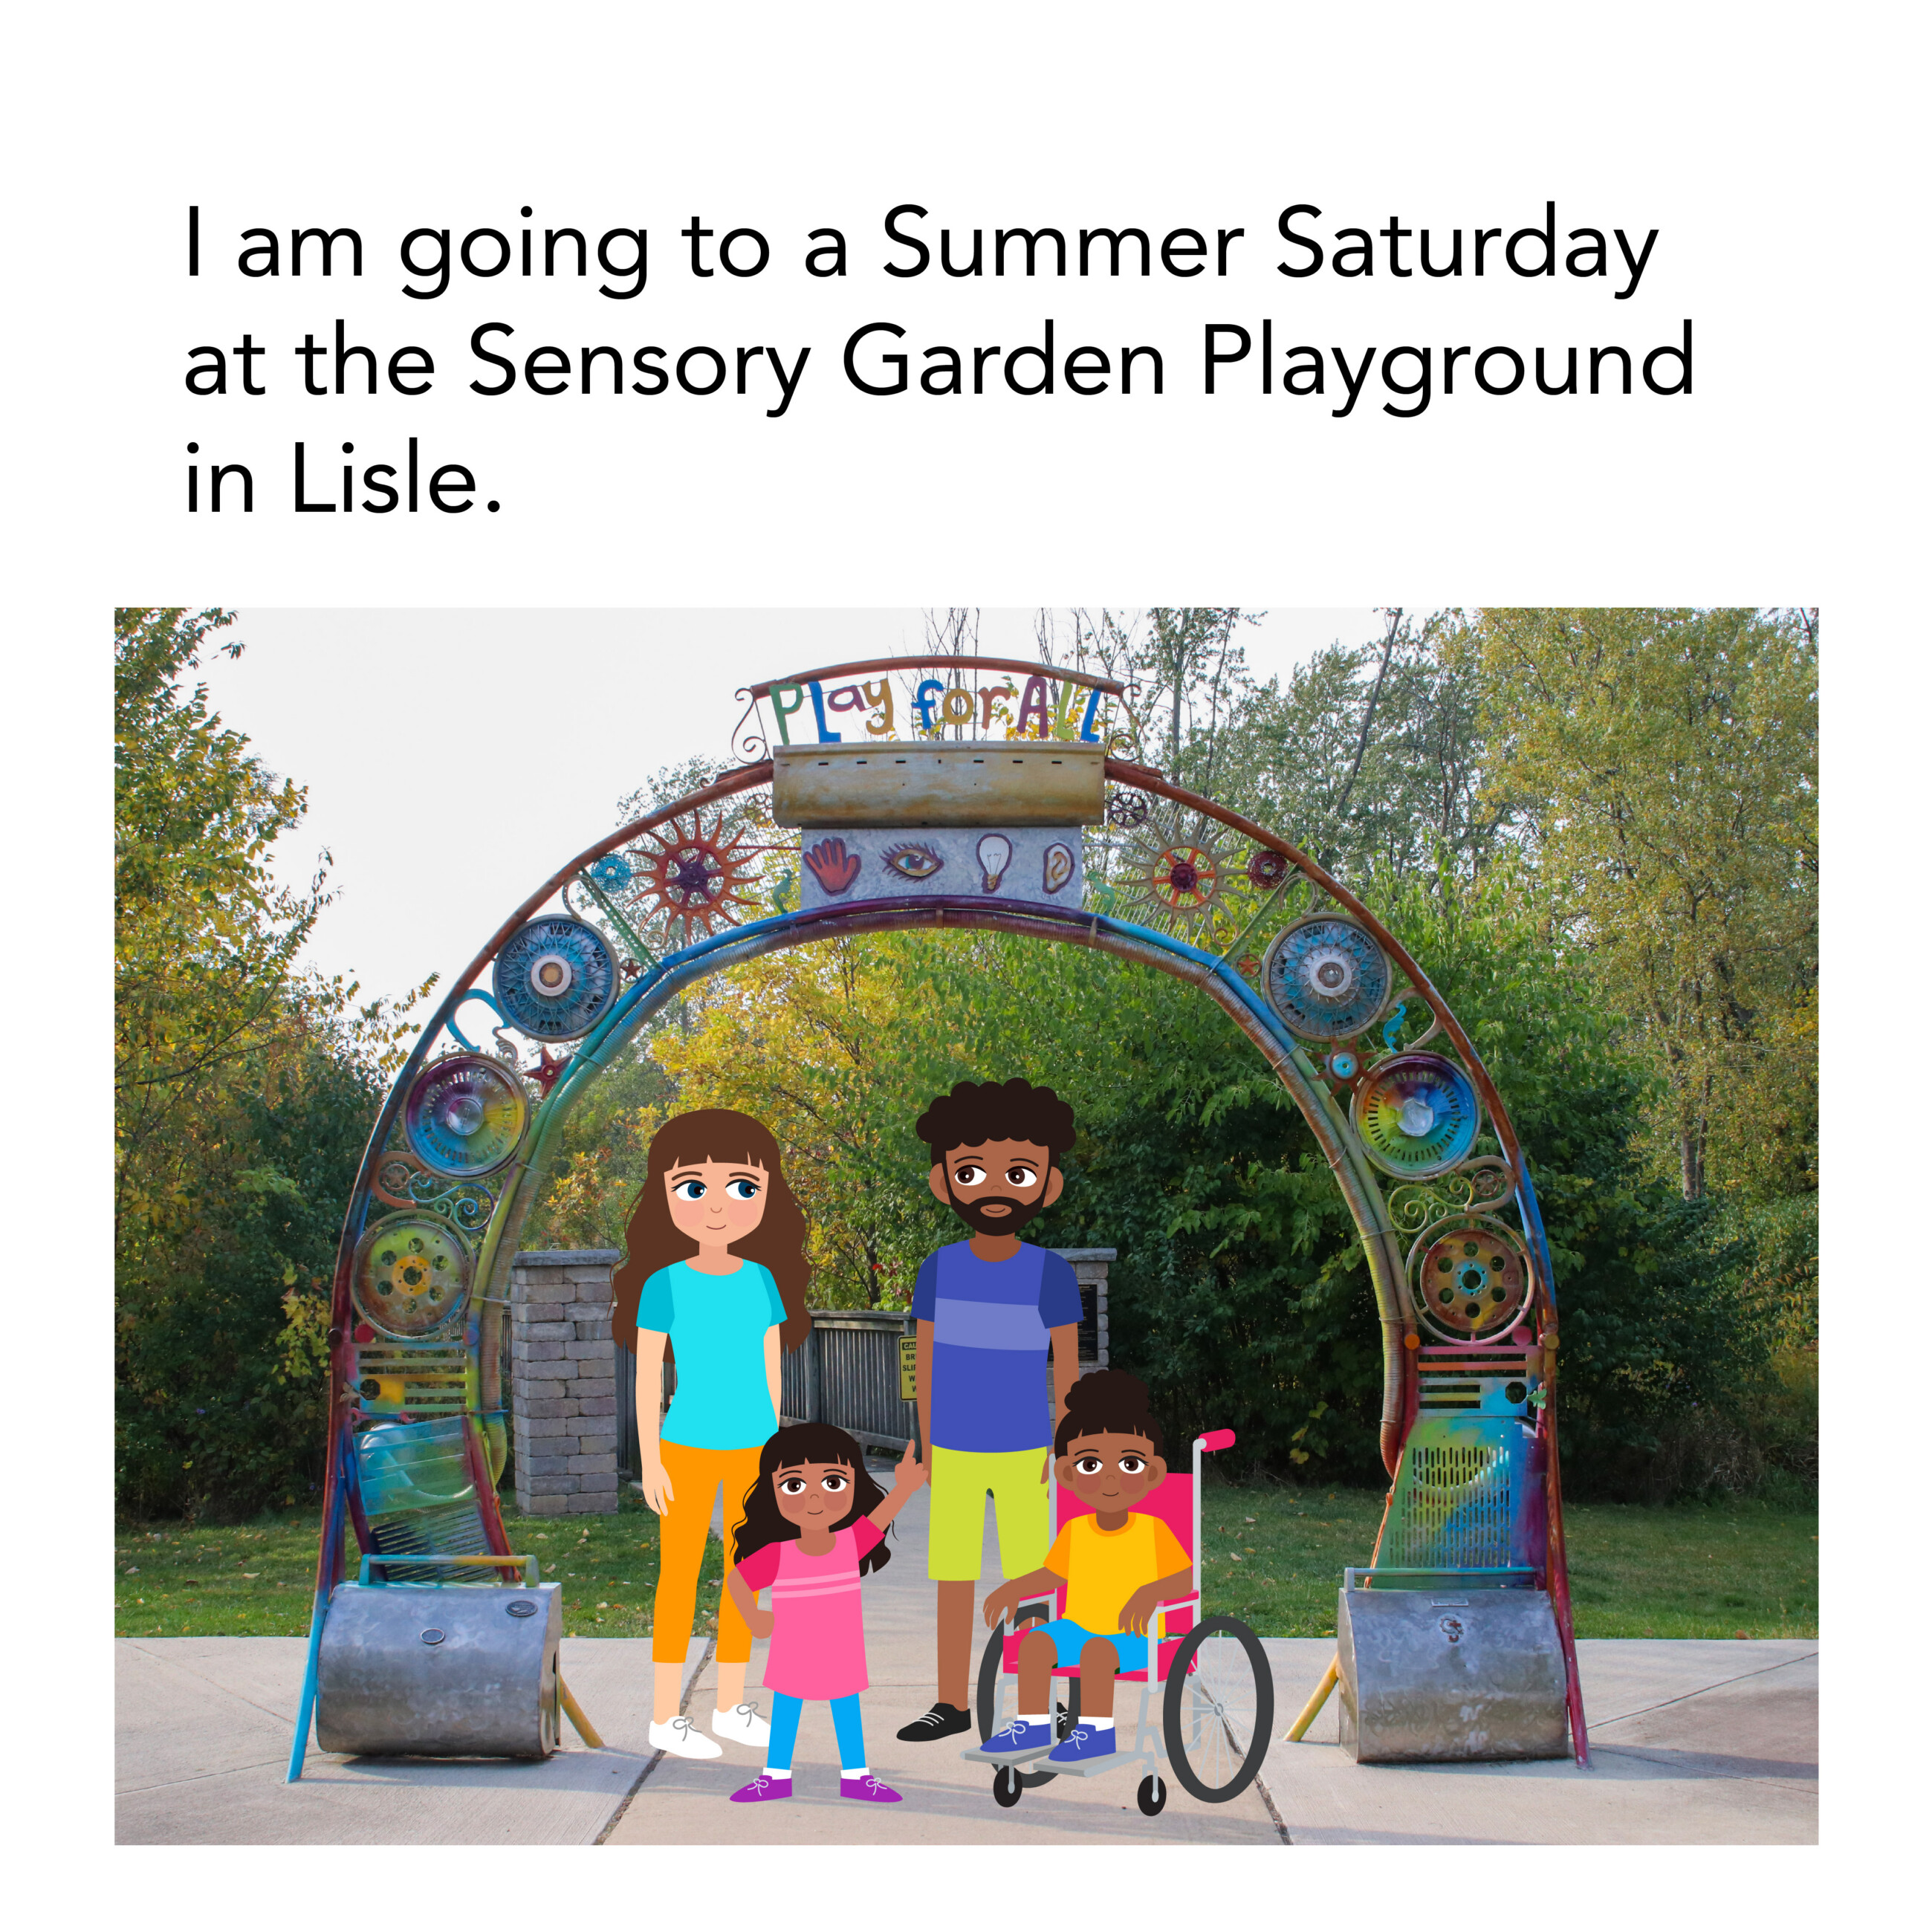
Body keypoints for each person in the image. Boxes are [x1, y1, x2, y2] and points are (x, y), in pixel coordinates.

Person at [610, 1109, 813, 1760]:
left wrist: (777, 1449)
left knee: (747, 1575)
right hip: (686, 1446)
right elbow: (646, 1381)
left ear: (765, 1196)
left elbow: (772, 1372)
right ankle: (665, 1717)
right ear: (666, 1198)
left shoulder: (762, 1280)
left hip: (755, 1447)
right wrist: (651, 1461)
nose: (719, 1206)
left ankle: (729, 1706)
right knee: (678, 1575)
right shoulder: (661, 1284)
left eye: (743, 1187)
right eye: (695, 1188)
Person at [895, 1077, 1083, 1745]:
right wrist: (919, 1441)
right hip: (952, 1449)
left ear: (1046, 1186)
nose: (994, 1187)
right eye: (972, 1171)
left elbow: (1066, 1372)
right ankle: (952, 1702)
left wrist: (1066, 1448)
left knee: (1035, 1580)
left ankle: (1046, 1701)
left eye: (1019, 1172)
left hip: (1030, 1452)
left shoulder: (1051, 1274)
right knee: (953, 1576)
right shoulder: (937, 1270)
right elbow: (922, 1363)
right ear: (945, 1184)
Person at [971, 1369, 1193, 1766]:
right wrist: (1014, 1588)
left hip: (1135, 1636)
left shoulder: (1152, 1530)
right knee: (1036, 1643)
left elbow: (1185, 1578)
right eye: (1091, 1465)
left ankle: (1095, 1734)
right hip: (1077, 1627)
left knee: (1096, 1652)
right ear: (1068, 1475)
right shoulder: (1075, 1530)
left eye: (1128, 1464)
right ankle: (1035, 1725)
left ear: (1153, 1473)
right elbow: (1054, 1575)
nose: (1110, 1476)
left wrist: (1149, 1592)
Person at [724, 1422, 927, 1802]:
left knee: (846, 1711)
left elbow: (880, 1519)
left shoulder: (850, 1543)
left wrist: (903, 1488)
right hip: (792, 1653)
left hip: (841, 1653)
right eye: (795, 1485)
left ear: (854, 1485)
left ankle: (856, 1777)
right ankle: (775, 1777)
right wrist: (754, 1620)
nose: (815, 1499)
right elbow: (737, 1581)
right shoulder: (778, 1553)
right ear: (773, 1490)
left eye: (833, 1483)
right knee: (786, 1710)